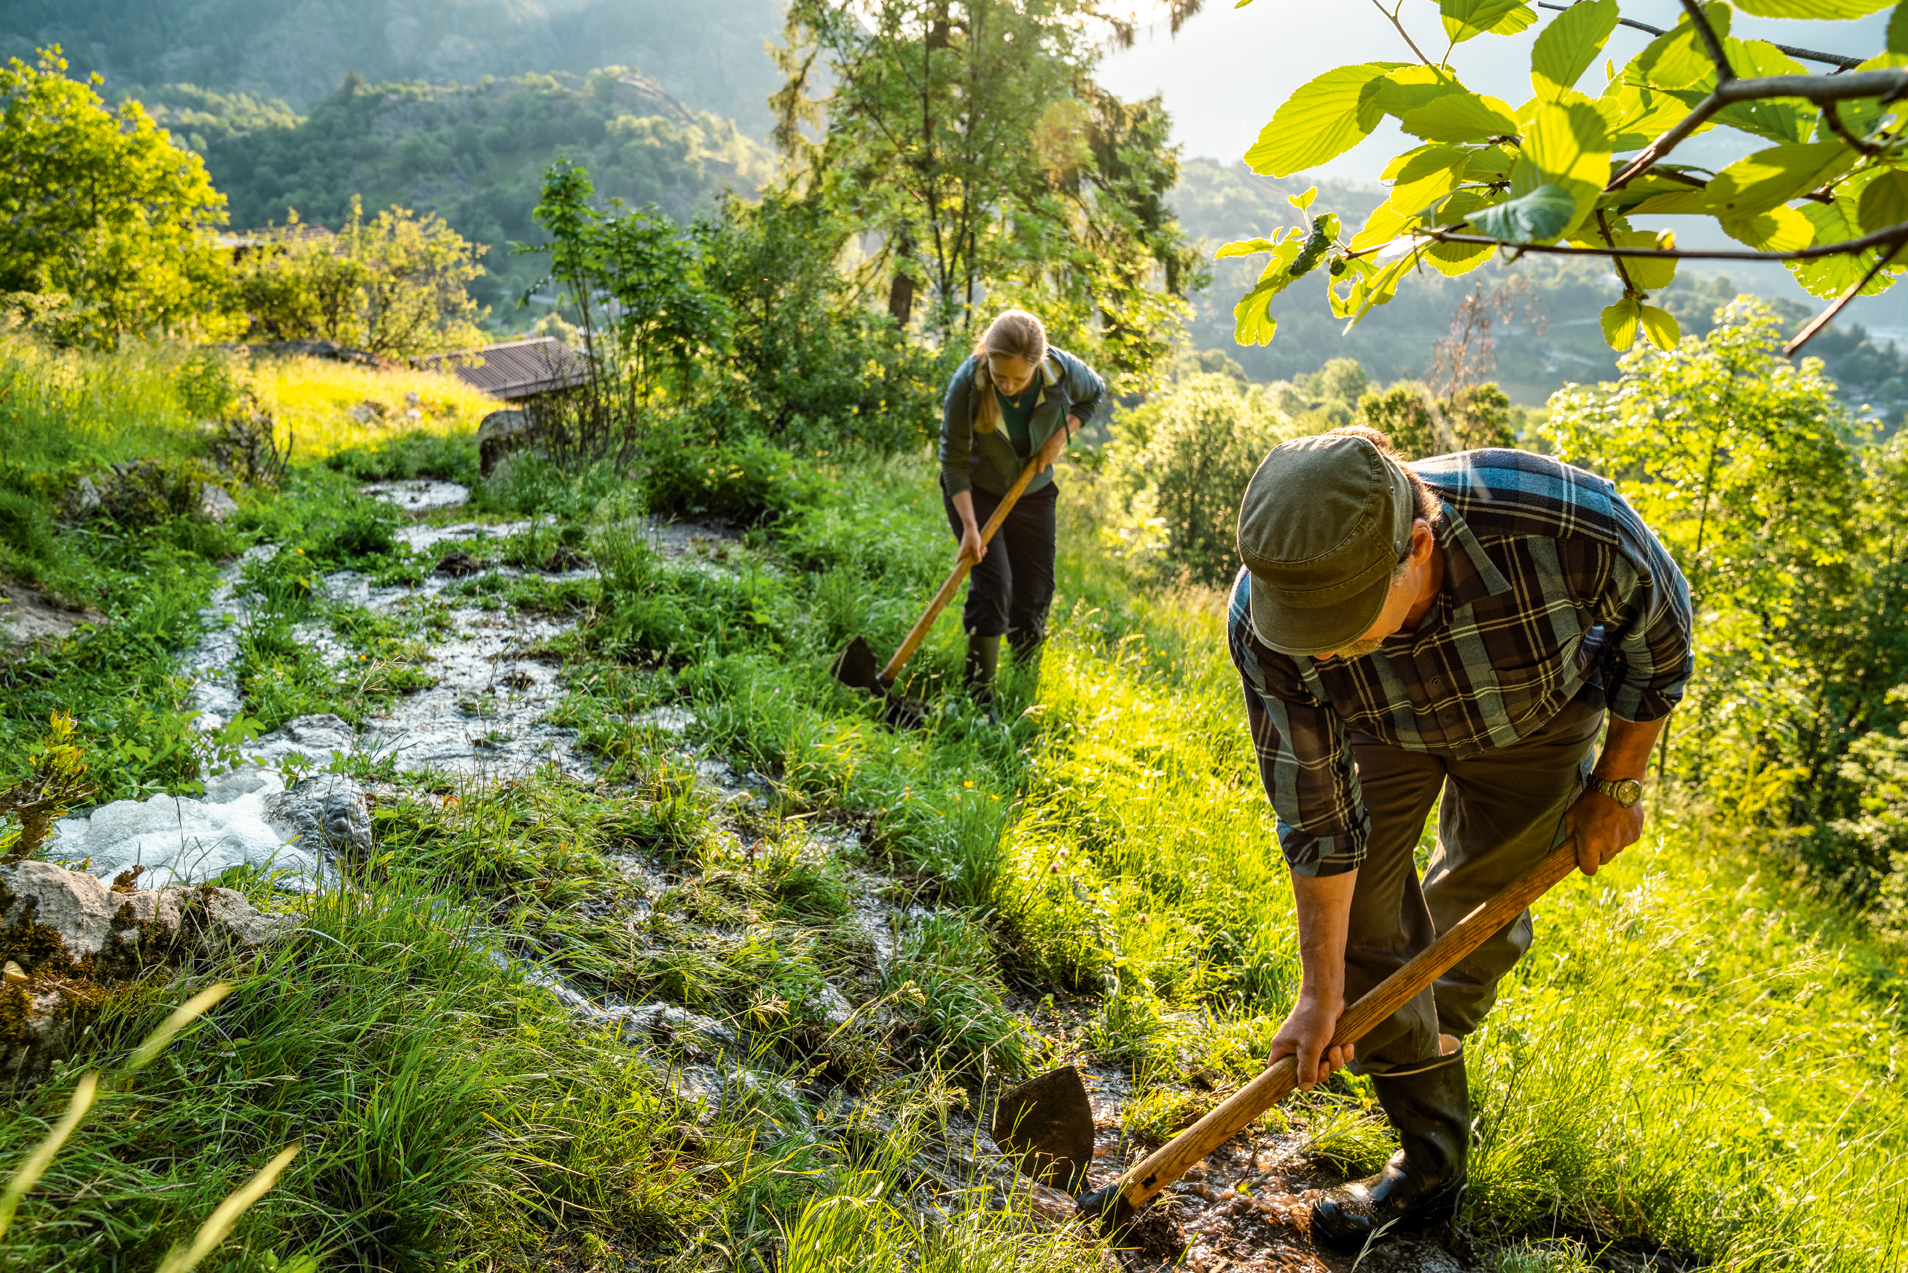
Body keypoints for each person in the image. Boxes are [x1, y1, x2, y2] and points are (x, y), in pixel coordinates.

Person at [1227, 426, 1693, 1249]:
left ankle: (1429, 1044)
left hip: (1536, 719)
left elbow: (1659, 646)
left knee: (1470, 919)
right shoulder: (1271, 621)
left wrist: (1616, 785)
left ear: (1416, 543)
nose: (1321, 643)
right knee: (1368, 931)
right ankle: (1429, 1159)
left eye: (1339, 620)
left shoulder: (1566, 524)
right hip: (1382, 728)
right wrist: (1319, 991)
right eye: (1304, 626)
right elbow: (1321, 819)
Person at [939, 309, 1105, 706]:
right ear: (988, 361)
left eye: (1019, 378)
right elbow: (952, 461)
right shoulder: (968, 384)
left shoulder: (1061, 371)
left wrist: (1062, 435)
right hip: (976, 491)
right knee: (994, 585)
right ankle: (978, 698)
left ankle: (1023, 688)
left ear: (1038, 364)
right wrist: (969, 527)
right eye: (1001, 377)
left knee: (1034, 590)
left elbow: (1094, 394)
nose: (1009, 386)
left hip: (1033, 489)